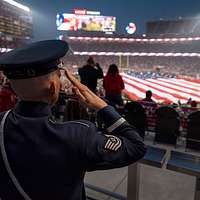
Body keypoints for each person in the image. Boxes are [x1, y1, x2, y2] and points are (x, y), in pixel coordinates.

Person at [0, 40, 146, 200]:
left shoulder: (2, 123)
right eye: (58, 77)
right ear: (53, 87)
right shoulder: (79, 135)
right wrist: (102, 106)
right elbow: (136, 147)